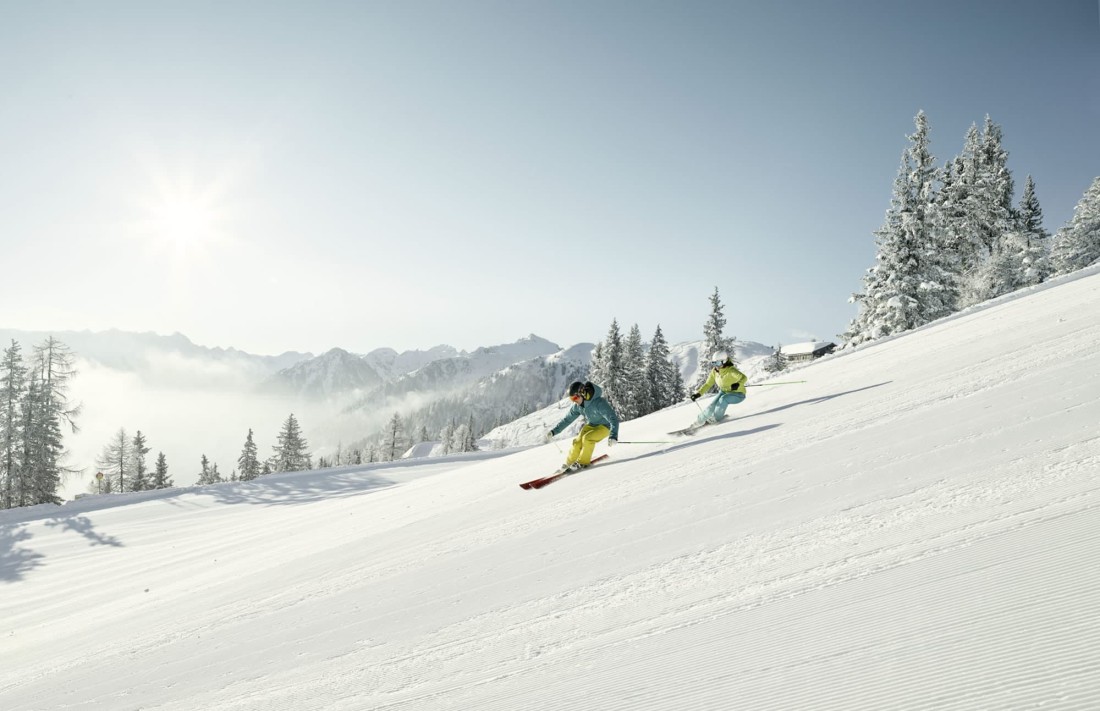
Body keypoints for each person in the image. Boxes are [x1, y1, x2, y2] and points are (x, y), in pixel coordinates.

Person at [545, 380, 620, 472]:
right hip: (591, 425)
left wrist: (613, 435)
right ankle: (569, 463)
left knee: (587, 438)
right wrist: (554, 431)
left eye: (575, 398)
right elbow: (567, 420)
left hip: (605, 426)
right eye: (572, 399)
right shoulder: (578, 407)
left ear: (583, 393)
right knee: (577, 441)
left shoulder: (598, 403)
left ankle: (582, 462)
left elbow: (613, 418)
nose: (574, 402)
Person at [691, 351, 747, 425]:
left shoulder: (731, 370)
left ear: (724, 362)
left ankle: (715, 419)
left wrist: (738, 384)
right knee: (711, 407)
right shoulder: (714, 371)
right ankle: (698, 422)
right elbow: (708, 384)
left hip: (738, 394)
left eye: (718, 363)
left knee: (723, 399)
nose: (716, 366)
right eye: (714, 363)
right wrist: (698, 394)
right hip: (724, 392)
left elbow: (744, 377)